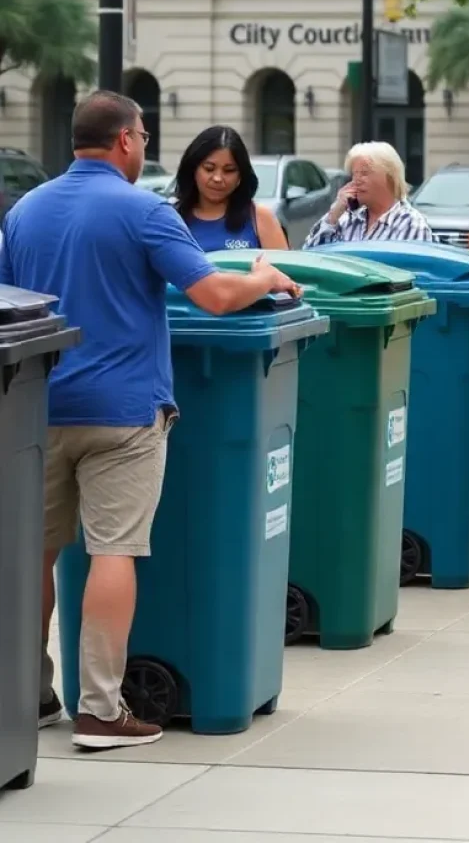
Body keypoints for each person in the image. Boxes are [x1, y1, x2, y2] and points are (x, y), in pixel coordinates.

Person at [0, 91, 300, 751]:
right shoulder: (143, 211)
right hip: (125, 412)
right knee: (114, 551)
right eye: (142, 136)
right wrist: (266, 276)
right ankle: (102, 710)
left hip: (37, 407)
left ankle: (28, 695)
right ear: (127, 141)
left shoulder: (24, 212)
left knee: (34, 555)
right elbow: (216, 296)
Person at [173, 125, 288, 251]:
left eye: (229, 170)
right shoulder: (171, 218)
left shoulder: (260, 217)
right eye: (209, 169)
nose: (217, 178)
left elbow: (284, 269)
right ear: (193, 169)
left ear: (241, 175)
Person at [303, 140, 432, 246]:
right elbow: (311, 255)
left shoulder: (411, 224)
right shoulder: (346, 219)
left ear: (389, 178)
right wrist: (333, 216)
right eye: (354, 174)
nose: (356, 181)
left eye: (364, 173)